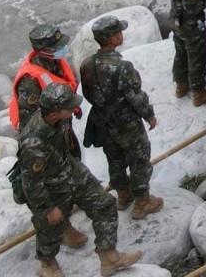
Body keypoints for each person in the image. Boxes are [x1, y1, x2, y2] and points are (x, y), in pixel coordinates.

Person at [18, 83, 143, 277]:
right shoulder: (33, 143)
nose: (74, 109)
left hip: (72, 172)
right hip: (50, 187)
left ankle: (109, 257)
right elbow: (31, 183)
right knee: (50, 228)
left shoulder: (58, 120)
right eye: (69, 108)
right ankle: (47, 264)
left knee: (104, 204)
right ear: (54, 114)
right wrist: (47, 209)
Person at [81, 16, 163, 219]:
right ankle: (142, 202)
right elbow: (136, 97)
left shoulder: (87, 64)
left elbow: (87, 94)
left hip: (103, 122)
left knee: (114, 159)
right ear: (113, 39)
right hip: (127, 124)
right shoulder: (123, 67)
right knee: (139, 160)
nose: (121, 34)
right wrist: (149, 115)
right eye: (119, 32)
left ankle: (123, 195)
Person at [12, 24, 79, 131]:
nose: (62, 49)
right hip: (47, 125)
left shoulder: (54, 60)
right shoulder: (29, 81)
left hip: (61, 115)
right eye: (56, 48)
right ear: (42, 52)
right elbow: (28, 116)